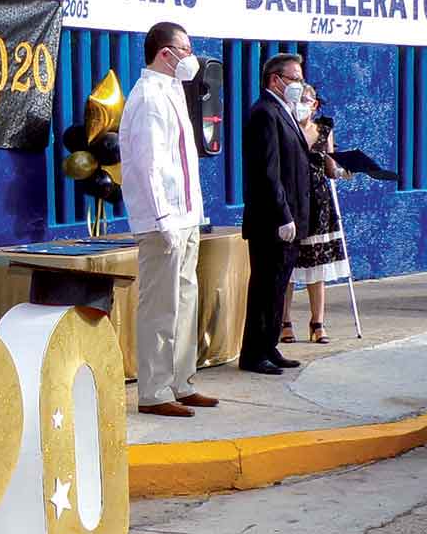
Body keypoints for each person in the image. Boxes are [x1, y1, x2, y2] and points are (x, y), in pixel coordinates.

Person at [117, 21, 219, 418]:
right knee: (160, 306)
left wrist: (192, 213)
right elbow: (148, 165)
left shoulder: (173, 92)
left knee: (185, 300)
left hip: (186, 216)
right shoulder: (147, 98)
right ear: (166, 53)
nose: (191, 57)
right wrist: (163, 217)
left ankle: (181, 381)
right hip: (163, 221)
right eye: (186, 49)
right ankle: (155, 391)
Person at [239, 52, 312, 375]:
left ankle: (268, 346)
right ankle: (253, 353)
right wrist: (284, 216)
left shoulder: (285, 112)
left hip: (291, 218)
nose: (299, 84)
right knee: (265, 289)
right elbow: (268, 172)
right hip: (272, 221)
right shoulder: (264, 113)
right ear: (275, 80)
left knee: (277, 287)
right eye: (294, 79)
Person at [284, 83, 352, 345]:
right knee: (288, 267)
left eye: (307, 99)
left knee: (317, 268)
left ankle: (317, 323)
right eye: (298, 98)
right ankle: (285, 322)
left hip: (319, 203)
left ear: (315, 105)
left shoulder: (324, 130)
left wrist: (347, 170)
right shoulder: (286, 126)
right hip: (292, 200)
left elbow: (331, 166)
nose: (302, 102)